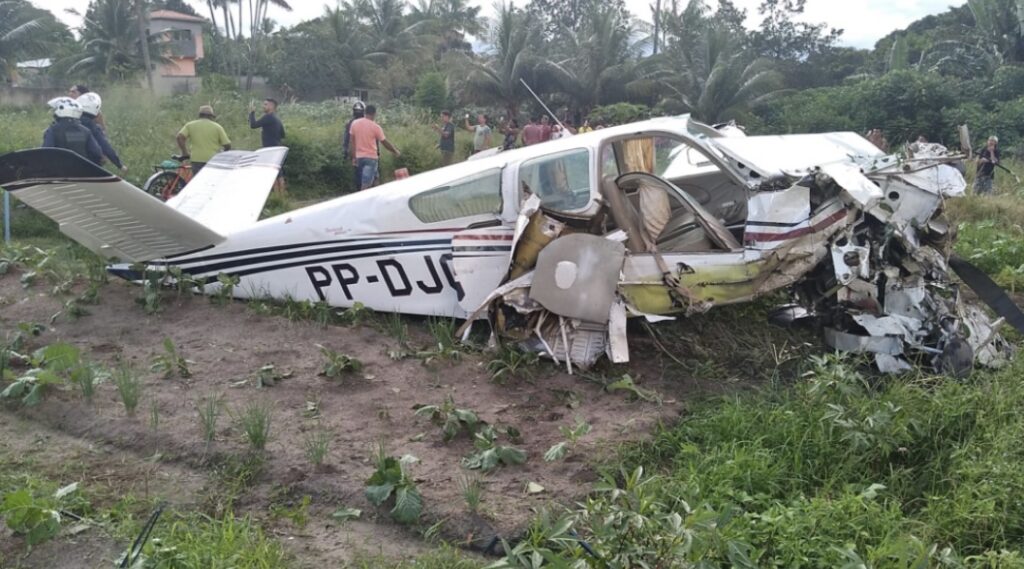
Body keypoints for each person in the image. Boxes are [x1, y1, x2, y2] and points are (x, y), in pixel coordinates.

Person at [349, 104, 401, 190]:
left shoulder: (354, 123)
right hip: (370, 158)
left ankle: (378, 197)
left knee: (376, 178)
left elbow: (351, 142)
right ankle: (364, 201)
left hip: (359, 157)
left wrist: (353, 157)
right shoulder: (375, 127)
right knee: (366, 184)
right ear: (374, 114)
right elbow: (384, 142)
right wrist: (395, 151)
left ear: (364, 112)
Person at [42, 97, 103, 164]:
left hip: (58, 171)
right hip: (82, 171)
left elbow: (46, 152)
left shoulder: (52, 130)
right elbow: (97, 153)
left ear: (61, 110)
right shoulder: (86, 131)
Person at [76, 92, 127, 172]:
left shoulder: (61, 124)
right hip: (89, 167)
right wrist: (119, 165)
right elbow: (105, 147)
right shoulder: (92, 127)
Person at [176, 105, 231, 176]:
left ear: (199, 115)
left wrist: (184, 152)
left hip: (196, 160)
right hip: (213, 160)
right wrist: (222, 154)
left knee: (198, 182)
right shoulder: (217, 127)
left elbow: (179, 137)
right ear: (211, 116)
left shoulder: (190, 125)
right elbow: (227, 145)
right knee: (211, 182)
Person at [249, 98, 287, 193]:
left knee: (272, 172)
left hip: (270, 149)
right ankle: (281, 196)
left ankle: (276, 196)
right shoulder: (277, 119)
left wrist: (252, 113)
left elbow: (253, 125)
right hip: (278, 148)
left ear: (271, 106)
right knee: (279, 172)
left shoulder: (268, 117)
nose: (263, 106)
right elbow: (283, 135)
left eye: (265, 104)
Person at [343, 101, 366, 190]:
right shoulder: (351, 123)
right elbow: (346, 138)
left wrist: (345, 150)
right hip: (360, 152)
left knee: (359, 173)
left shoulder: (350, 123)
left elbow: (346, 139)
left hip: (358, 152)